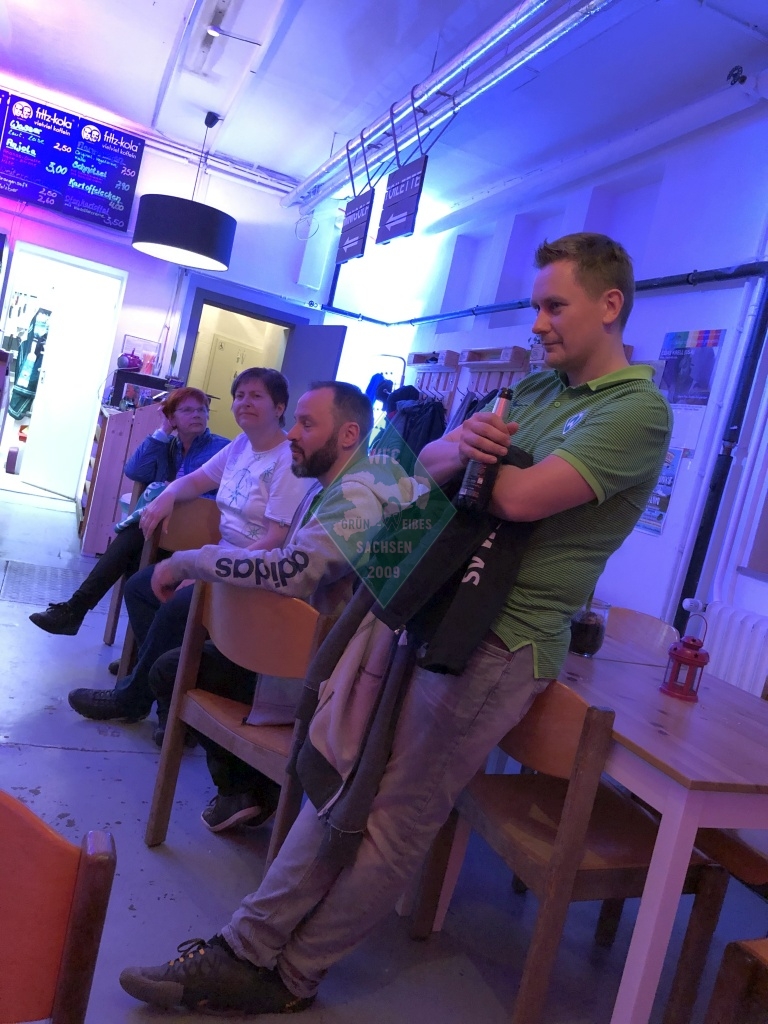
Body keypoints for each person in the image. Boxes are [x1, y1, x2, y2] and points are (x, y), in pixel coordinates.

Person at [119, 233, 672, 1016]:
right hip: (434, 609)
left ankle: (288, 973)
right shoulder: (541, 389)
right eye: (536, 306)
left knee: (397, 818)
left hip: (500, 641)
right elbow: (429, 465)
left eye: (555, 305)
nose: (538, 322)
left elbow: (511, 498)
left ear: (610, 305)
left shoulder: (637, 412)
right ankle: (244, 948)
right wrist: (457, 453)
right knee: (347, 784)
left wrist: (459, 462)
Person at [145, 381, 430, 832]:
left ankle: (251, 788)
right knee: (179, 656)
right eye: (295, 421)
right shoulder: (338, 486)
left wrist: (190, 562)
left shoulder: (360, 495)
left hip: (324, 681)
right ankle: (253, 788)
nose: (293, 433)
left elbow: (293, 571)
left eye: (307, 424)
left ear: (349, 435)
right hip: (310, 660)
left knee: (169, 670)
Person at [67, 367, 312, 732]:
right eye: (239, 395)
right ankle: (168, 698)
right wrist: (166, 495)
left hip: (250, 572)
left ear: (279, 408)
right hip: (221, 556)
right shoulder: (240, 447)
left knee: (174, 606)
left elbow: (276, 539)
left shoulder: (287, 460)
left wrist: (205, 571)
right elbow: (196, 480)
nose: (245, 402)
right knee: (140, 588)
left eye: (256, 396)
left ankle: (132, 698)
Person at [28, 387, 228, 638]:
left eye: (202, 410)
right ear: (172, 417)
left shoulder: (221, 449)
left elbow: (220, 500)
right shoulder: (168, 446)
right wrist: (162, 432)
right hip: (163, 533)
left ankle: (76, 610)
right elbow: (135, 471)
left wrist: (174, 496)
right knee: (136, 559)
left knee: (136, 534)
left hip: (196, 536)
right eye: (187, 410)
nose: (197, 415)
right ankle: (140, 650)